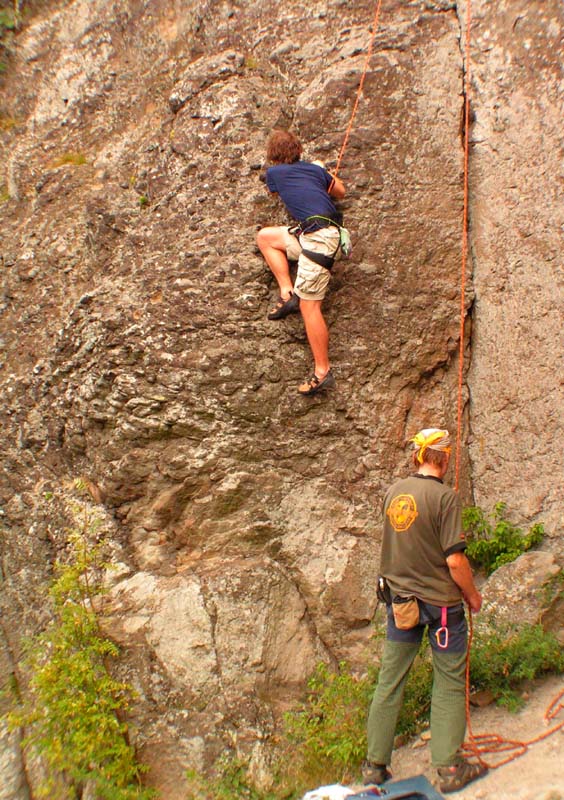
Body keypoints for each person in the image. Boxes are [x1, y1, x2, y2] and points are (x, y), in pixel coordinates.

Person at [363, 428, 487, 794]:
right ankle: (449, 769)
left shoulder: (392, 493)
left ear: (418, 457)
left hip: (401, 604)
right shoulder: (445, 498)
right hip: (442, 606)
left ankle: (374, 767)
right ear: (445, 458)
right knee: (448, 681)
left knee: (390, 680)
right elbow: (455, 559)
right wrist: (473, 595)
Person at [256, 129, 346, 396]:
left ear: (273, 156)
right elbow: (339, 191)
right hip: (312, 236)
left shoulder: (274, 174)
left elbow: (275, 193)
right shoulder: (314, 170)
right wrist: (325, 171)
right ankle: (287, 292)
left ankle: (322, 372)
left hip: (321, 239)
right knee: (266, 238)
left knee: (311, 307)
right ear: (298, 150)